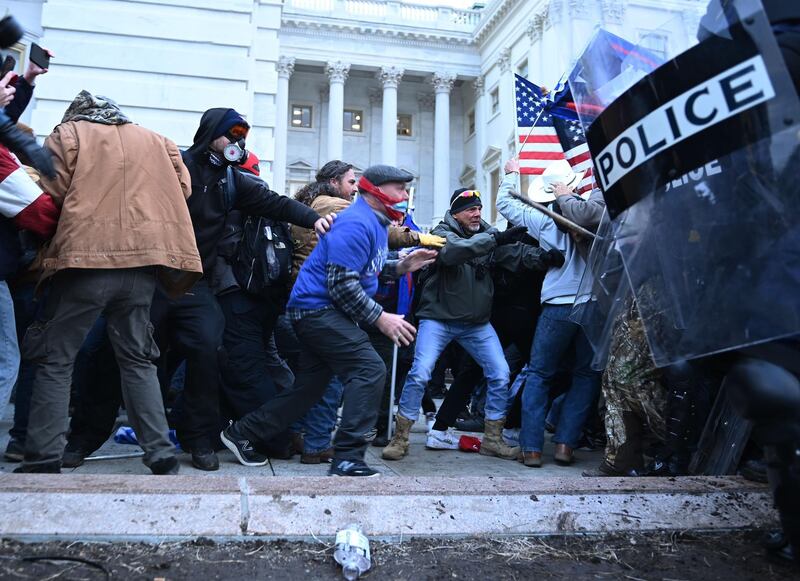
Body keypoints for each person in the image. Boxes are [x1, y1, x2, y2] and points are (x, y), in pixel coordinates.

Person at [16, 91, 202, 474]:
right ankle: (159, 452)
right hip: (141, 267)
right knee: (138, 360)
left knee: (55, 357)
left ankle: (43, 455)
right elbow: (182, 189)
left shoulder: (69, 135)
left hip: (84, 263)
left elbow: (50, 191)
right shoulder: (157, 140)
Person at [221, 164, 437, 477]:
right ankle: (348, 457)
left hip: (320, 312)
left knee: (308, 390)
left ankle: (241, 432)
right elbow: (341, 284)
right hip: (317, 311)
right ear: (374, 190)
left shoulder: (375, 224)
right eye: (399, 189)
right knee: (370, 369)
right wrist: (381, 318)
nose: (405, 195)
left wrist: (399, 268)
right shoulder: (355, 222)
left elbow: (361, 273)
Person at [147, 107, 332, 471]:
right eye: (231, 135)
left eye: (242, 137)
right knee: (135, 356)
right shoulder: (175, 167)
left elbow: (276, 204)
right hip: (154, 278)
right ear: (210, 134)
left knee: (207, 350)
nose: (238, 142)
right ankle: (90, 436)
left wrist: (316, 218)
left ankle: (199, 440)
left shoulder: (233, 181)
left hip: (195, 283)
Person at [382, 187, 562, 462]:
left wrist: (543, 258)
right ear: (456, 213)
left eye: (478, 208)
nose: (477, 213)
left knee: (500, 373)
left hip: (475, 324)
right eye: (470, 209)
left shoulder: (486, 234)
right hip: (438, 319)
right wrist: (494, 239)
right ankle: (400, 438)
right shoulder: (441, 233)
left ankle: (492, 439)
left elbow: (512, 253)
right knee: (420, 373)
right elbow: (455, 252)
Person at [497, 158, 602, 467]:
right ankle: (565, 445)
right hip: (591, 303)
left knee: (540, 374)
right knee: (585, 375)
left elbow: (505, 203)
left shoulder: (543, 220)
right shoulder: (591, 212)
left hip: (557, 304)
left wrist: (510, 174)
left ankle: (530, 448)